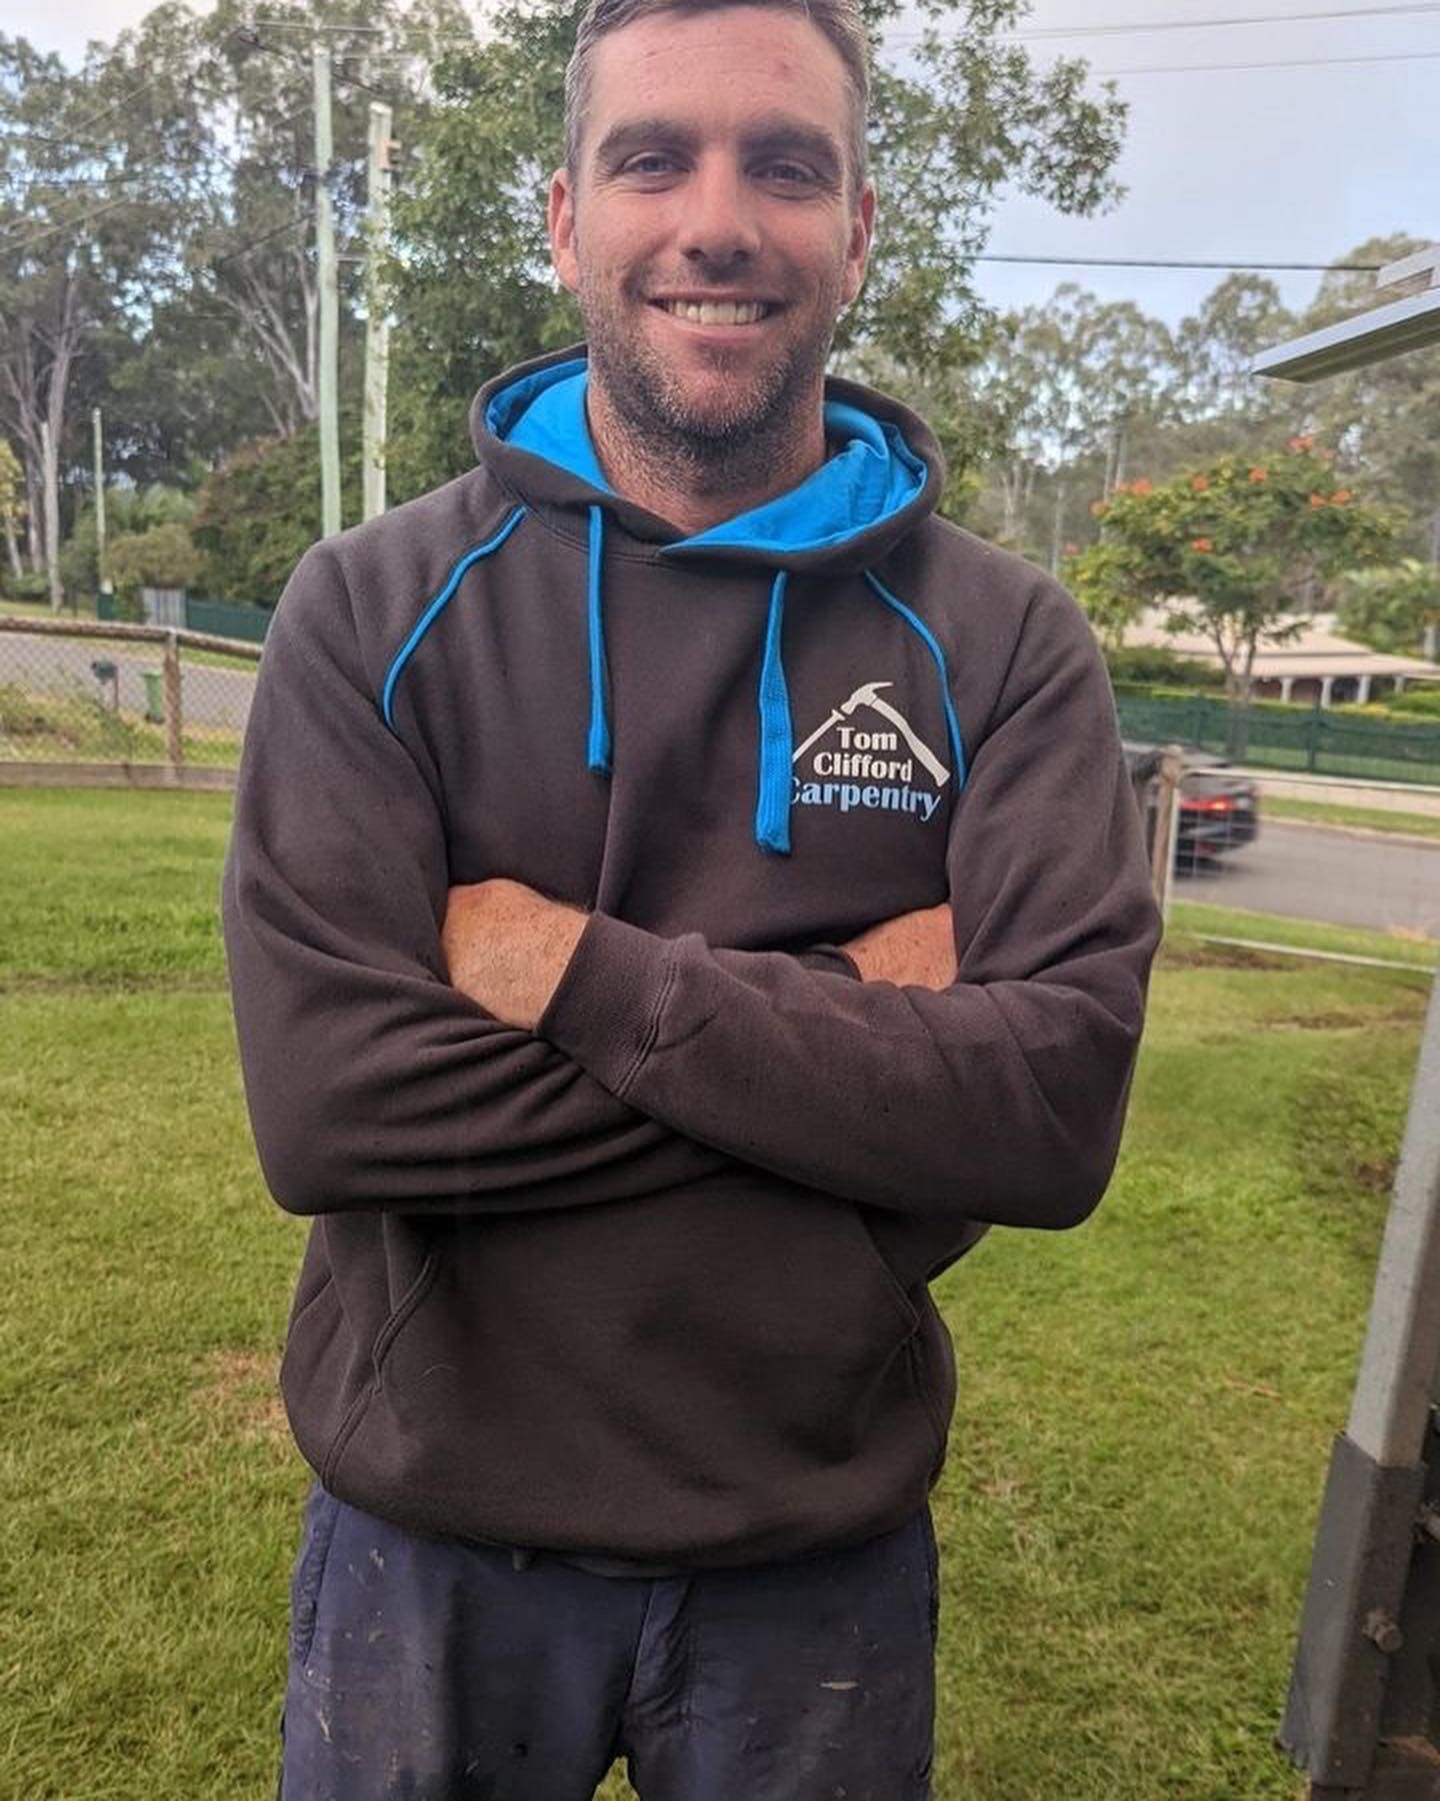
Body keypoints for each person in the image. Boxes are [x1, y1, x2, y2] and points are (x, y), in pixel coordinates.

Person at [222, 0, 1161, 1793]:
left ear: (859, 225)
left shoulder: (1005, 645)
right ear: (568, 217)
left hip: (816, 1562)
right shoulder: (370, 608)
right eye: (653, 157)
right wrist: (862, 1031)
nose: (717, 219)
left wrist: (556, 962)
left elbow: (1048, 1111)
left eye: (786, 164)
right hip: (432, 1549)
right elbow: (332, 1107)